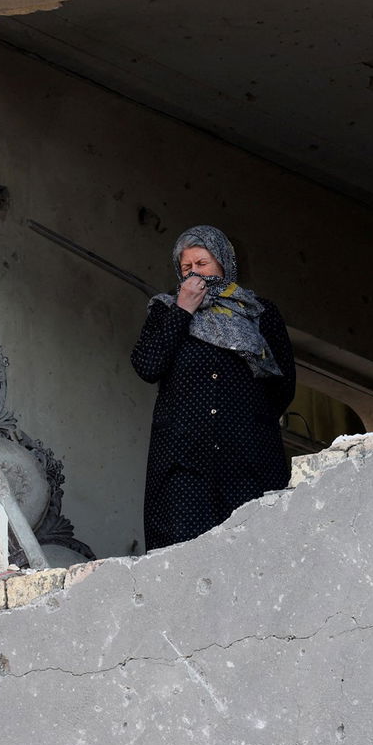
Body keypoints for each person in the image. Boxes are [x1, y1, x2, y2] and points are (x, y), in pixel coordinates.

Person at [131, 225, 295, 550]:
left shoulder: (259, 313)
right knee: (184, 555)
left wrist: (248, 422)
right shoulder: (165, 312)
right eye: (186, 267)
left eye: (202, 263)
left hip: (248, 459)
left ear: (223, 262)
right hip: (183, 461)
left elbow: (282, 385)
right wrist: (183, 311)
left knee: (251, 549)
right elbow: (147, 366)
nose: (195, 273)